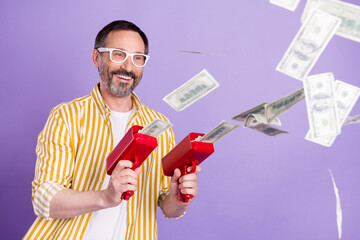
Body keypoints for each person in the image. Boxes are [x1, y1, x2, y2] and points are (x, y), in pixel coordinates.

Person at [24, 20, 200, 240]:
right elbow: (44, 199)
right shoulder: (66, 116)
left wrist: (178, 200)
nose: (128, 67)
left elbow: (167, 207)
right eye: (118, 54)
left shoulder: (160, 126)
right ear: (96, 58)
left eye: (138, 58)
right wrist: (105, 197)